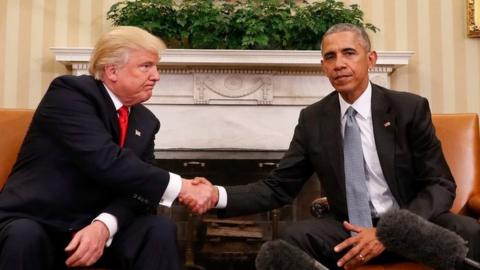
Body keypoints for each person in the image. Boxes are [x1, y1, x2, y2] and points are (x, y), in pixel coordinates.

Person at [184, 23, 480, 269]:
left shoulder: (408, 109)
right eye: (330, 57)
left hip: (412, 224)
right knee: (287, 242)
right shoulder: (314, 119)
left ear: (371, 59)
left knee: (472, 234)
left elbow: (440, 184)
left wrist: (386, 234)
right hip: (348, 229)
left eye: (349, 53)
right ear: (323, 67)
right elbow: (278, 187)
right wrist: (216, 194)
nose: (339, 64)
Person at [0, 26, 216, 270]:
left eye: (156, 67)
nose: (156, 75)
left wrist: (104, 225)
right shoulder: (70, 93)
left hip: (96, 226)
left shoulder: (146, 121)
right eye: (146, 66)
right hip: (40, 220)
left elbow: (140, 192)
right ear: (112, 71)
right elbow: (105, 160)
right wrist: (183, 186)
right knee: (24, 235)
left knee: (158, 229)